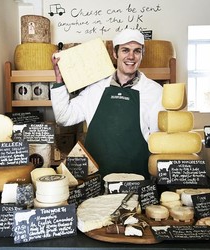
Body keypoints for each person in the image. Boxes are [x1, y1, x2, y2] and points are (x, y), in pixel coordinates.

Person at [51, 29, 164, 179]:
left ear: (142, 55)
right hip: (96, 181)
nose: (131, 56)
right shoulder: (95, 89)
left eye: (137, 51)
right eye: (125, 50)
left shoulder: (155, 91)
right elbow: (64, 117)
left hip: (137, 179)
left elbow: (158, 140)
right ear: (115, 54)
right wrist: (59, 82)